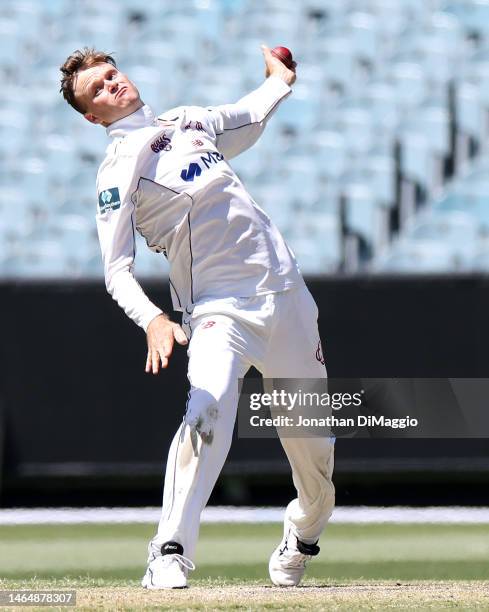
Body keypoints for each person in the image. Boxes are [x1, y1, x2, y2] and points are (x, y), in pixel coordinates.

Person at [59, 46, 335, 589]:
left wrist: (280, 80)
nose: (112, 86)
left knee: (316, 458)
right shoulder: (120, 168)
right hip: (218, 309)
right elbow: (116, 270)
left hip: (286, 296)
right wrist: (153, 320)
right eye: (98, 90)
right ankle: (168, 552)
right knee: (206, 413)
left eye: (111, 75)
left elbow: (248, 116)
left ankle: (301, 535)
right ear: (92, 116)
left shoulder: (186, 120)